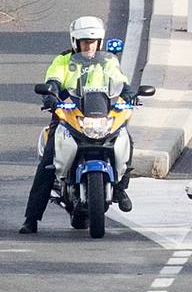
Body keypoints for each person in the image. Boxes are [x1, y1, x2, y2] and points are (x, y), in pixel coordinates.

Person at [21, 16, 136, 234]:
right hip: (69, 116)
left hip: (101, 115)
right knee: (48, 163)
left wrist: (130, 95)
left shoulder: (108, 62)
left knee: (127, 139)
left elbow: (120, 81)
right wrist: (50, 95)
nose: (89, 46)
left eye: (93, 42)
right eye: (84, 42)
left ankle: (121, 187)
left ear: (100, 43)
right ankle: (31, 218)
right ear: (75, 42)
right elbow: (53, 81)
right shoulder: (64, 61)